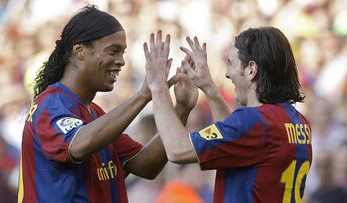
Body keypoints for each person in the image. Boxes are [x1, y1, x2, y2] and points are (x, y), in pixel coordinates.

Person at [18, 5, 197, 203]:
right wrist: (144, 95)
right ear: (80, 51)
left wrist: (180, 109)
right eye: (113, 51)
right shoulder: (51, 104)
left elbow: (146, 166)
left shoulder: (95, 113)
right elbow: (78, 145)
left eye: (123, 52)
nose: (121, 61)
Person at [144, 27, 312, 202]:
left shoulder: (255, 122)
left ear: (251, 70)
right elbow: (236, 139)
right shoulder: (299, 121)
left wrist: (158, 88)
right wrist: (209, 88)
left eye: (231, 64)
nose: (227, 73)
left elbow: (178, 150)